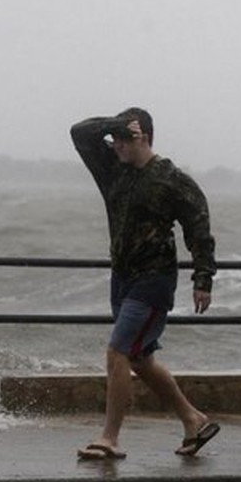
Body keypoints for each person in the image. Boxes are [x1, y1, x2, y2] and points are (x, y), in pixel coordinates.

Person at [70, 107, 220, 459]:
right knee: (141, 360)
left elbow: (199, 229)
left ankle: (110, 438)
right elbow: (79, 132)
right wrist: (114, 125)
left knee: (118, 351)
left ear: (145, 137)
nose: (117, 146)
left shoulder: (171, 179)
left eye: (125, 139)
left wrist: (203, 278)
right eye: (115, 140)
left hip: (154, 281)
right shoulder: (111, 170)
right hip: (122, 278)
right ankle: (193, 420)